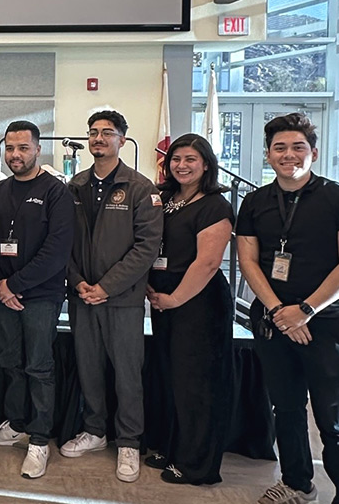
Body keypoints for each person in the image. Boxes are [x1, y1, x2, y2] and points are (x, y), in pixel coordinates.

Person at [237, 113, 339, 504]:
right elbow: (249, 261)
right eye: (279, 147)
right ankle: (298, 484)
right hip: (274, 321)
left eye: (298, 147)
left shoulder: (333, 197)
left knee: (331, 418)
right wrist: (281, 310)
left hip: (325, 322)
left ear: (314, 152)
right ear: (268, 154)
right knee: (287, 408)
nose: (288, 154)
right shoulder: (256, 202)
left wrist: (306, 310)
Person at [62, 110, 163, 483]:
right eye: (93, 133)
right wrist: (78, 283)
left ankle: (129, 441)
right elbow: (64, 243)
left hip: (120, 299)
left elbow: (146, 248)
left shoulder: (140, 188)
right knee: (88, 366)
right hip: (82, 296)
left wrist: (106, 287)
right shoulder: (75, 186)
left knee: (126, 373)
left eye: (107, 133)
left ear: (122, 139)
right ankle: (94, 430)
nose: (99, 138)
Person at [0, 121, 74, 479]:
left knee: (39, 366)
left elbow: (57, 251)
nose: (15, 155)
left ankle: (38, 439)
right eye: (10, 148)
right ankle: (17, 422)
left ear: (38, 150)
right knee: (10, 361)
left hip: (40, 296)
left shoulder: (55, 192)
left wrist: (15, 284)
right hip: (5, 292)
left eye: (23, 148)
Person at [144, 133, 234, 485]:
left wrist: (175, 299)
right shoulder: (165, 198)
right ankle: (173, 447)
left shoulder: (215, 205)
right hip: (163, 299)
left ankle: (198, 465)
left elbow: (208, 263)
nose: (182, 165)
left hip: (198, 304)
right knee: (171, 379)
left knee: (196, 385)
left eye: (190, 160)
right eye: (176, 159)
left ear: (206, 164)